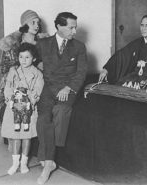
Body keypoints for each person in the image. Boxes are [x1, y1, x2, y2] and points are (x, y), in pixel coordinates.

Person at [35, 12, 88, 184]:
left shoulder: (79, 47)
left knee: (61, 110)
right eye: (71, 27)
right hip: (49, 88)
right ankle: (49, 162)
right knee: (43, 117)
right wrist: (38, 65)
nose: (74, 31)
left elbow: (81, 72)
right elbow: (35, 61)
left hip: (69, 89)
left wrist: (69, 88)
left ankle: (47, 161)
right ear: (59, 26)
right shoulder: (43, 44)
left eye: (75, 27)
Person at [0, 10, 48, 150]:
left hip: (37, 80)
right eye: (33, 22)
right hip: (16, 82)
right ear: (25, 24)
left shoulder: (43, 42)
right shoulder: (14, 43)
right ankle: (13, 141)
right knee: (12, 105)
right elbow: (4, 68)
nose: (37, 25)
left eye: (38, 22)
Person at [1, 43, 44, 175]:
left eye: (27, 57)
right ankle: (15, 163)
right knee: (15, 137)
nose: (23, 60)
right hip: (14, 108)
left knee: (26, 137)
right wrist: (9, 99)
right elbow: (8, 86)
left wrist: (30, 99)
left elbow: (38, 90)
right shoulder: (13, 71)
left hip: (28, 109)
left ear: (34, 59)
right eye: (21, 57)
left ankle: (24, 163)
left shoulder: (37, 74)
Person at [99, 15, 147, 90]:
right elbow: (121, 55)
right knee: (118, 86)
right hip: (135, 77)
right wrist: (106, 69)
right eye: (142, 25)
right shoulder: (137, 43)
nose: (143, 29)